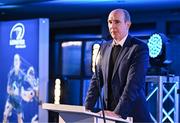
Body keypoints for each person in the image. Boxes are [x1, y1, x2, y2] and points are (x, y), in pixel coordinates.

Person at [85, 9, 152, 122]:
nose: (112, 26)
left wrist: (118, 113)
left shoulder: (139, 48)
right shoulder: (104, 47)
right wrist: (87, 108)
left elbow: (133, 84)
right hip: (109, 116)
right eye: (110, 22)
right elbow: (96, 80)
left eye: (117, 22)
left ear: (128, 24)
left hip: (132, 115)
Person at [3, 54, 25, 123]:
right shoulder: (10, 73)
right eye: (15, 60)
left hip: (18, 100)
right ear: (13, 62)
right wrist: (12, 91)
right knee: (5, 115)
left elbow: (23, 90)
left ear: (20, 62)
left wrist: (22, 94)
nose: (16, 61)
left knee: (20, 120)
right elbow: (8, 89)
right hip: (11, 99)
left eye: (17, 59)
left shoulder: (22, 75)